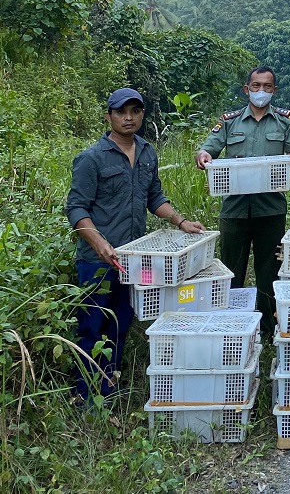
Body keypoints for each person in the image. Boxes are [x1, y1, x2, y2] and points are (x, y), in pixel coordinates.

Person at [66, 88, 205, 404]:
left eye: (135, 111)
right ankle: (84, 396)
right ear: (109, 116)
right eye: (121, 112)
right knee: (92, 327)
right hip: (97, 262)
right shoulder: (91, 158)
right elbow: (76, 208)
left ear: (142, 114)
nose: (128, 118)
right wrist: (100, 243)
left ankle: (108, 389)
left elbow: (154, 197)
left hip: (134, 260)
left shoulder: (146, 152)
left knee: (121, 324)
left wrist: (181, 221)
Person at [195, 67, 290, 335]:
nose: (261, 91)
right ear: (247, 89)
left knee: (270, 272)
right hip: (234, 209)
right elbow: (208, 148)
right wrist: (203, 155)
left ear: (274, 90)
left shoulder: (284, 121)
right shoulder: (229, 122)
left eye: (267, 86)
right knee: (231, 272)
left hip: (271, 209)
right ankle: (232, 329)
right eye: (256, 86)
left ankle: (267, 330)